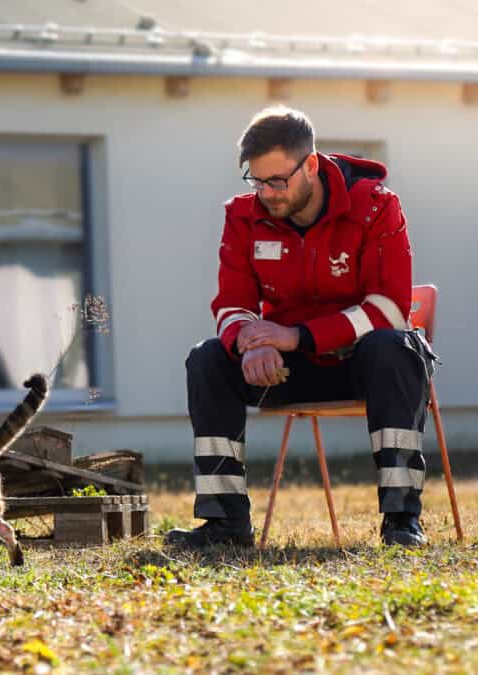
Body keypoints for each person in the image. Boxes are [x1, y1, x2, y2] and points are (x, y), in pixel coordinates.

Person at [165, 106, 437, 549]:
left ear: (310, 164)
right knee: (208, 358)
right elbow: (232, 303)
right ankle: (225, 525)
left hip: (362, 365)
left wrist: (295, 336)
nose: (267, 193)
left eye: (278, 180)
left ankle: (401, 521)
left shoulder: (376, 207)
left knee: (397, 346)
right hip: (283, 369)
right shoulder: (242, 216)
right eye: (256, 180)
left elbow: (389, 308)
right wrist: (250, 344)